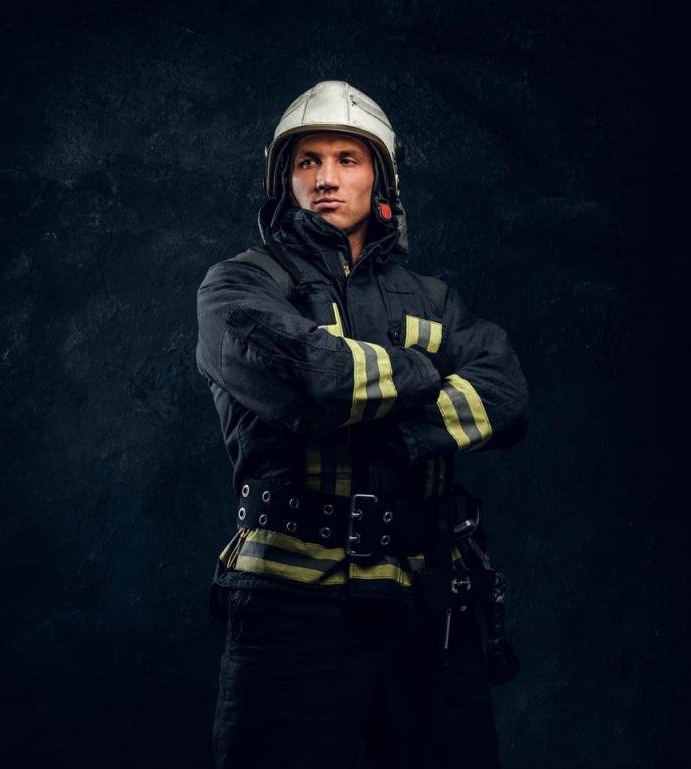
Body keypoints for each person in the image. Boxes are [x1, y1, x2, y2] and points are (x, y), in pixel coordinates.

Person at [195, 80, 528, 769]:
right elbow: (316, 379)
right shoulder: (238, 286)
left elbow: (506, 396)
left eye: (347, 158)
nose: (325, 177)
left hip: (430, 605)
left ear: (381, 175)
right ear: (284, 178)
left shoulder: (436, 298)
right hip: (291, 610)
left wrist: (391, 427)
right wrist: (425, 373)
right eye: (307, 161)